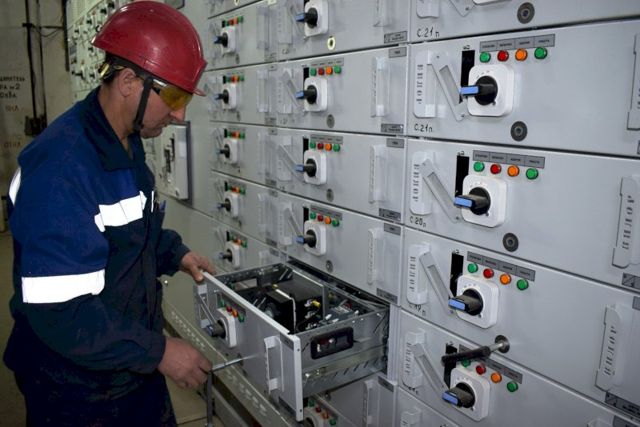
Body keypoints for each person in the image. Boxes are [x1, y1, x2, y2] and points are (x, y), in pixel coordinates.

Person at [4, 2, 215, 425]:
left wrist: (175, 253)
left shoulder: (125, 141)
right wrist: (159, 351)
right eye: (174, 97)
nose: (180, 115)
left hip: (128, 363)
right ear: (129, 82)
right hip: (74, 387)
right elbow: (59, 312)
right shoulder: (61, 170)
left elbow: (132, 228)